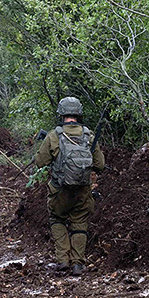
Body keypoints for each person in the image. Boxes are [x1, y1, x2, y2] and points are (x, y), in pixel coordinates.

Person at [35, 96, 105, 277]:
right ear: (78, 113)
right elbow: (100, 165)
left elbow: (40, 162)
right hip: (83, 190)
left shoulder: (54, 135)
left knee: (57, 220)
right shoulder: (88, 136)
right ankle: (77, 264)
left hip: (59, 190)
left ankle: (63, 260)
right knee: (80, 224)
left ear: (61, 113)